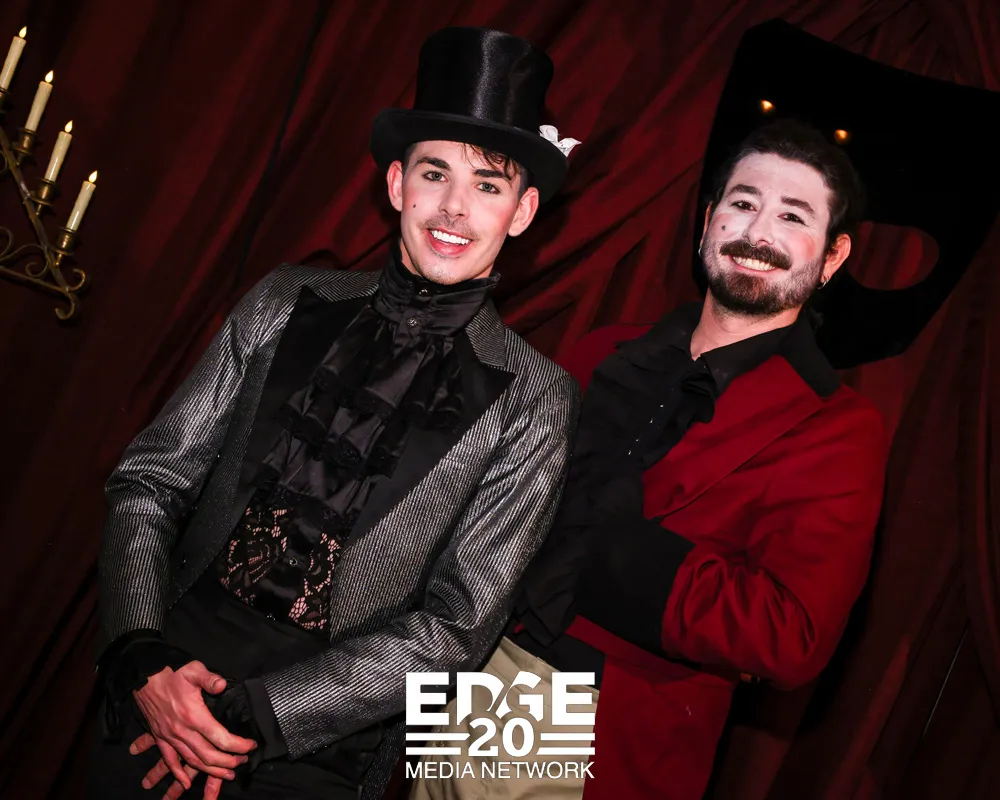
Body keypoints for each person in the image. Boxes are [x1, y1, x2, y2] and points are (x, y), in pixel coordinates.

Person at [88, 26, 582, 800]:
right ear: (397, 184)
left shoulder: (534, 398)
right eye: (435, 174)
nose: (454, 208)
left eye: (487, 186)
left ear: (521, 213)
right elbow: (149, 482)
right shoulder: (285, 299)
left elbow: (457, 625)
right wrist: (141, 656)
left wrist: (260, 715)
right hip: (166, 681)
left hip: (322, 741)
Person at [410, 119, 887, 800]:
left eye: (793, 215)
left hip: (600, 715)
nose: (758, 232)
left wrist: (596, 537)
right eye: (743, 203)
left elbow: (790, 635)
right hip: (469, 667)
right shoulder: (602, 349)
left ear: (833, 256)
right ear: (708, 220)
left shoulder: (837, 427)